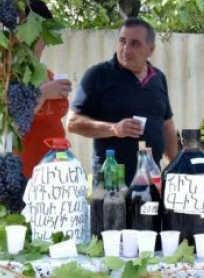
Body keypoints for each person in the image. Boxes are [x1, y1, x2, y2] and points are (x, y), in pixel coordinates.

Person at [68, 17, 178, 184]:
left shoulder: (158, 78)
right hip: (111, 179)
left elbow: (167, 126)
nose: (126, 49)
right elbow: (73, 123)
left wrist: (174, 168)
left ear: (151, 49)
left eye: (135, 44)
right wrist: (114, 129)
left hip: (150, 179)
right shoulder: (99, 75)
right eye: (122, 41)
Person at [12, 0, 72, 179]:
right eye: (37, 29)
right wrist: (42, 94)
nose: (43, 37)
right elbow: (14, 128)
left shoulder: (47, 74)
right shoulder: (5, 76)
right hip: (25, 175)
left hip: (56, 173)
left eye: (45, 31)